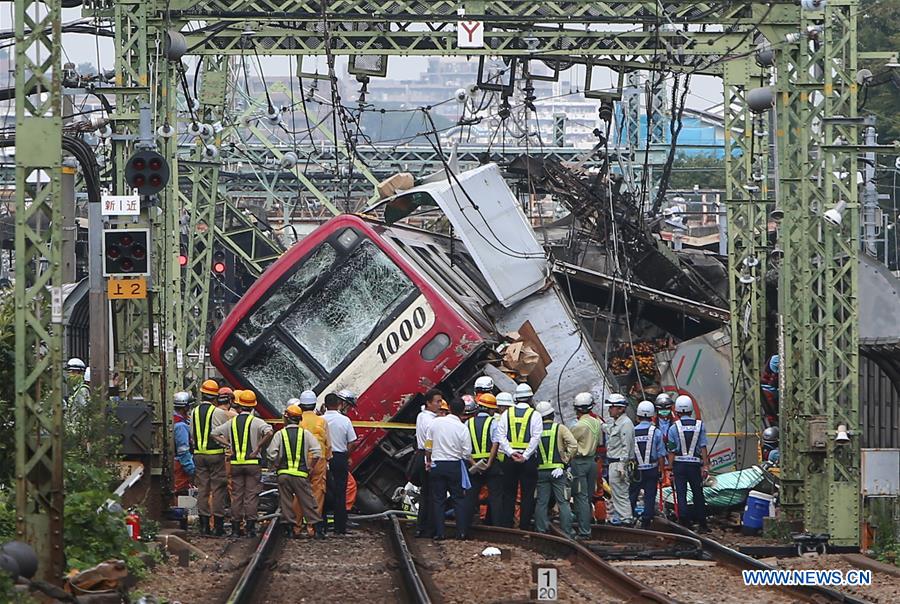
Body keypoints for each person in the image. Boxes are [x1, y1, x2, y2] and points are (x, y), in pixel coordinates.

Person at [212, 390, 273, 537]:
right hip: (252, 463)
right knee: (251, 495)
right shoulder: (257, 422)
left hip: (236, 463)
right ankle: (250, 528)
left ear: (239, 405)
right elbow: (269, 432)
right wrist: (258, 446)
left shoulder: (231, 422)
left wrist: (228, 445)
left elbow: (214, 433)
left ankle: (235, 528)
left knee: (237, 495)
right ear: (253, 406)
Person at [267, 404, 325, 539]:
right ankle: (317, 529)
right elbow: (317, 452)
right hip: (300, 474)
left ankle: (289, 529)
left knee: (286, 502)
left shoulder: (280, 434)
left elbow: (271, 454)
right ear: (299, 419)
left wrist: (276, 465)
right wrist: (310, 467)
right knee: (308, 501)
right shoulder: (305, 434)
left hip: (284, 474)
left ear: (286, 419)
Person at [495, 385, 543, 529]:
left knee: (508, 493)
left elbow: (500, 436)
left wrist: (510, 452)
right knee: (527, 494)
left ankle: (507, 524)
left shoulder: (506, 414)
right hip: (527, 460)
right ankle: (524, 524)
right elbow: (536, 437)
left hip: (510, 460)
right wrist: (525, 455)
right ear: (530, 398)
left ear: (516, 398)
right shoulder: (535, 415)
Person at [424, 397, 472, 540]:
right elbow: (467, 452)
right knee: (458, 498)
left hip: (437, 464)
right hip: (454, 465)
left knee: (438, 499)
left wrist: (428, 461)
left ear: (449, 408)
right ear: (463, 411)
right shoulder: (462, 428)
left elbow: (428, 445)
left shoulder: (435, 423)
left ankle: (440, 533)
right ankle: (461, 532)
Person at [191, 385, 231, 536]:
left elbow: (192, 434)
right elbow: (221, 434)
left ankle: (204, 526)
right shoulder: (218, 412)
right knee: (218, 489)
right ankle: (218, 526)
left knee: (203, 489)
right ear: (215, 397)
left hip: (199, 455)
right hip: (215, 455)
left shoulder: (194, 412)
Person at [534, 401, 577, 538]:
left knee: (541, 502)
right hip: (558, 471)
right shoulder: (560, 428)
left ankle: (541, 529)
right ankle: (567, 531)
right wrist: (565, 461)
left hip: (541, 471)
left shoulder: (535, 430)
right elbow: (573, 445)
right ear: (552, 415)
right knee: (563, 502)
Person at [667, 394, 709, 532]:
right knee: (698, 493)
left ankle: (684, 522)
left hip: (679, 465)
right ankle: (702, 523)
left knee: (681, 493)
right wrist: (705, 465)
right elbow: (703, 447)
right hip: (695, 465)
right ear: (691, 410)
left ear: (677, 411)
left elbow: (672, 450)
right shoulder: (699, 425)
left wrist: (671, 469)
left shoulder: (673, 428)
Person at [463, 393, 503, 526]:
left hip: (474, 465)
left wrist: (474, 464)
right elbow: (495, 444)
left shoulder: (468, 423)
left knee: (470, 496)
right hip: (490, 464)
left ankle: (466, 526)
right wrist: (489, 463)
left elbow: (465, 447)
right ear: (490, 409)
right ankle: (497, 526)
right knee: (496, 497)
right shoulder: (493, 423)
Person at [323, 391, 358, 535]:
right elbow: (352, 442)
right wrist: (346, 454)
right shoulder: (345, 421)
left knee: (323, 490)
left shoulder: (320, 420)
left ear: (325, 405)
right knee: (340, 492)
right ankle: (340, 528)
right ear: (339, 404)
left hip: (324, 458)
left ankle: (322, 525)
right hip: (339, 457)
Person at [569, 392, 602, 538]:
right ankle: (585, 521)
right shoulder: (596, 422)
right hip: (592, 462)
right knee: (587, 496)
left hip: (580, 463)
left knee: (580, 496)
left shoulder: (579, 426)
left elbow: (568, 443)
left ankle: (584, 530)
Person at [630, 401, 666, 529]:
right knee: (650, 495)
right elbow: (661, 454)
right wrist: (661, 471)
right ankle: (646, 520)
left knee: (633, 494)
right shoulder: (656, 432)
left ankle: (630, 518)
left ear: (638, 416)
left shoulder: (632, 431)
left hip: (637, 470)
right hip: (652, 468)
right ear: (652, 416)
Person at [412, 389, 442, 538]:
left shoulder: (421, 415)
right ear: (428, 403)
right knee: (432, 494)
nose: (439, 404)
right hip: (428, 456)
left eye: (440, 401)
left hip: (421, 454)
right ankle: (430, 528)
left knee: (425, 494)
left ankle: (421, 527)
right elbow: (432, 442)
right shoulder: (432, 421)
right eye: (437, 401)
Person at [297, 390, 331, 521]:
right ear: (314, 404)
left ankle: (296, 525)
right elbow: (328, 444)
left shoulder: (297, 420)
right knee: (317, 492)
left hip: (300, 460)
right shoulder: (322, 421)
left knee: (298, 491)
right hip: (319, 459)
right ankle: (313, 525)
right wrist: (328, 458)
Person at [601, 393, 634, 525]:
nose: (609, 410)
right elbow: (610, 430)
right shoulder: (618, 424)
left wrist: (622, 464)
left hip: (619, 463)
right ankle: (622, 517)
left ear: (620, 409)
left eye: (612, 407)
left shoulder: (626, 424)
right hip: (614, 463)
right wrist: (601, 424)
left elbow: (627, 445)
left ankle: (626, 518)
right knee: (616, 492)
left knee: (621, 492)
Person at [172, 392, 195, 494]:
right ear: (185, 408)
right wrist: (191, 469)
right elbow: (183, 450)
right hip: (180, 465)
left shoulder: (175, 420)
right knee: (180, 491)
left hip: (177, 462)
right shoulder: (181, 425)